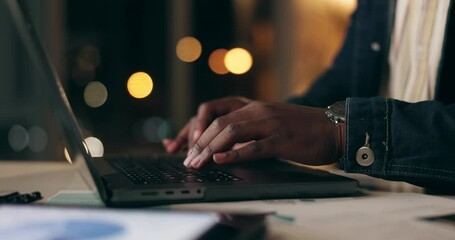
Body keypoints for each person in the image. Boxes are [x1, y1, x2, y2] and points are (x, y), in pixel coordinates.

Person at [162, 0, 455, 188]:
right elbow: (341, 84)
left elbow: (333, 124)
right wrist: (255, 124)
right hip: (371, 210)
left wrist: (343, 133)